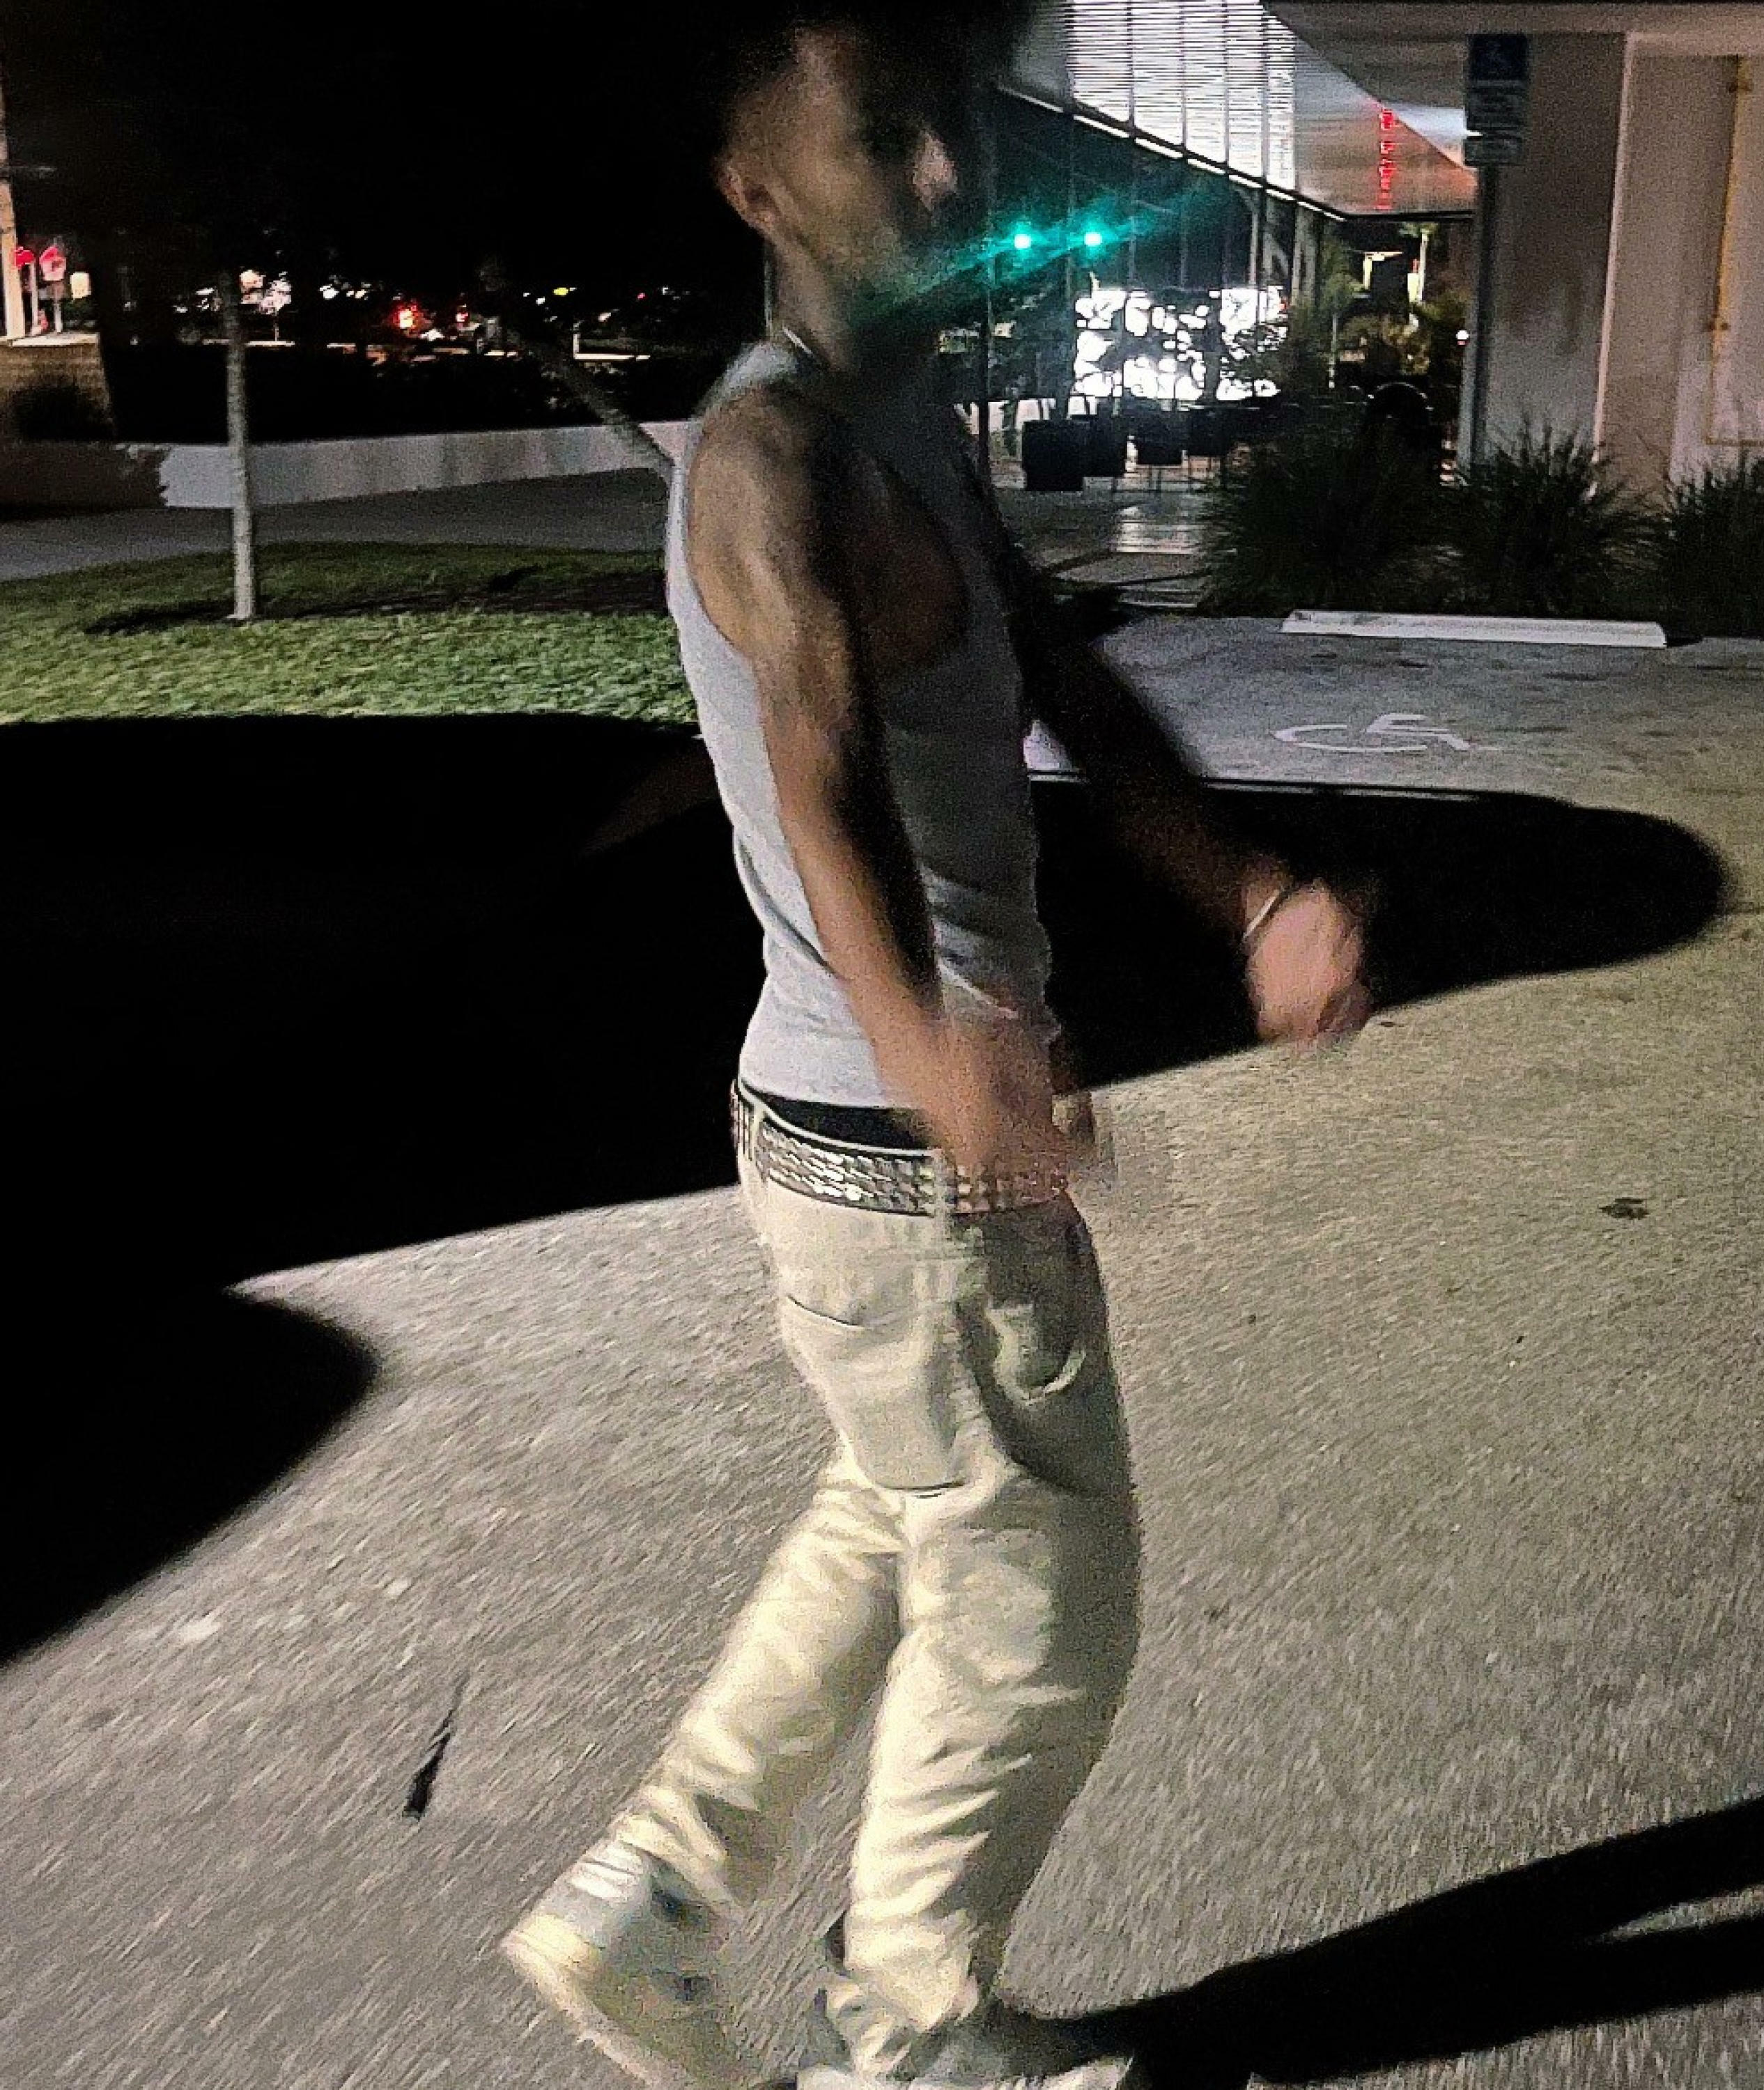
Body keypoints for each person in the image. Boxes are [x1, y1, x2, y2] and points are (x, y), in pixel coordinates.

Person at [500, 9, 1370, 2089]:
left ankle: (649, 1897)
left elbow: (1073, 684)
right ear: (760, 189)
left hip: (864, 1135)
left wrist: (1251, 892)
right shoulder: (772, 459)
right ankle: (911, 2029)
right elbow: (816, 782)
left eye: (953, 131)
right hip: (899, 1144)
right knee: (1044, 1598)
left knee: (905, 1506)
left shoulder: (903, 421)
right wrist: (933, 1052)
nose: (949, 181)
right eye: (888, 141)